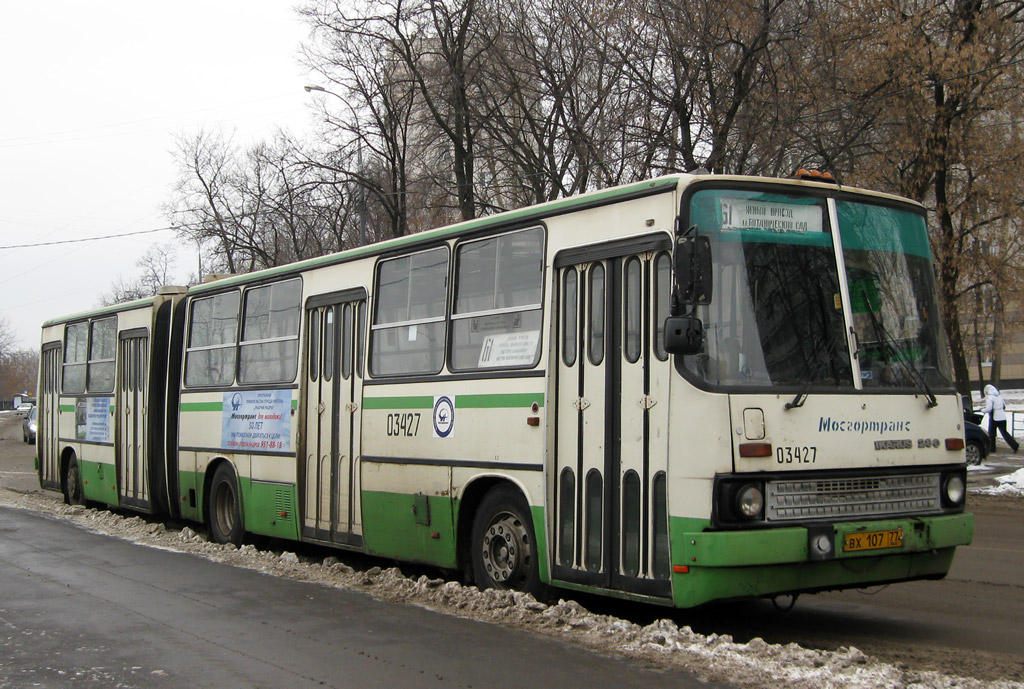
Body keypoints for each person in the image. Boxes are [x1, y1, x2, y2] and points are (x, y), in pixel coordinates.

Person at [982, 384, 1019, 453]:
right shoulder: (999, 397)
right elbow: (1004, 406)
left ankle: (992, 448)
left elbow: (989, 408)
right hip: (1002, 417)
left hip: (994, 417)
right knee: (1004, 433)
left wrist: (983, 410)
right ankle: (1015, 445)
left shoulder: (990, 397)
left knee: (992, 434)